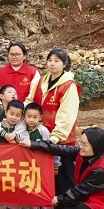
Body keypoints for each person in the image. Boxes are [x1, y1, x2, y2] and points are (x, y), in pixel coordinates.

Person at [32, 48, 81, 200]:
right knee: (44, 171)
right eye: (50, 60)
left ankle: (66, 205)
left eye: (56, 61)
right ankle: (46, 202)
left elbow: (67, 114)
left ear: (64, 64)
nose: (52, 64)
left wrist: (56, 136)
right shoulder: (42, 81)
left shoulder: (69, 85)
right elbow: (31, 100)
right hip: (41, 133)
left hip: (60, 139)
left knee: (63, 174)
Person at [0, 99, 28, 209]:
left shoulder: (21, 127)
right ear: (6, 112)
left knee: (15, 187)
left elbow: (24, 136)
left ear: (22, 117)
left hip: (16, 163)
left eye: (18, 115)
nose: (14, 117)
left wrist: (15, 135)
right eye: (11, 114)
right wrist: (4, 134)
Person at [23, 102, 60, 209]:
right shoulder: (22, 130)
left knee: (45, 188)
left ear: (40, 118)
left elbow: (52, 148)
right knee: (31, 187)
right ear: (24, 116)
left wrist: (56, 165)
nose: (31, 120)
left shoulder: (43, 131)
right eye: (28, 116)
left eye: (35, 117)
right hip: (29, 166)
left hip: (43, 166)